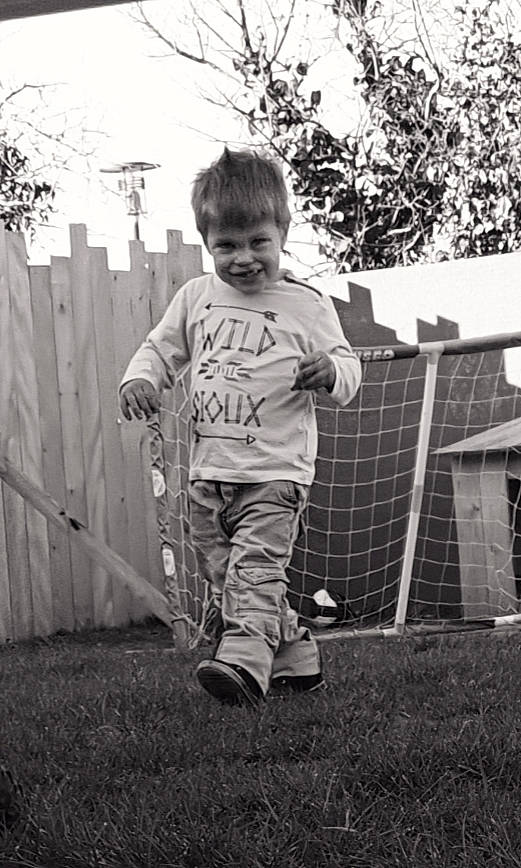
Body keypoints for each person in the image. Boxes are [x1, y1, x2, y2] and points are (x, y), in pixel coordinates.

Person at [119, 147, 361, 707]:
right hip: (209, 473)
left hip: (276, 473)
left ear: (282, 233)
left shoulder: (305, 303)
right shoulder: (196, 298)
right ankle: (297, 658)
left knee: (254, 571)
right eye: (225, 246)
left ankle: (245, 666)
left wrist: (330, 372)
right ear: (207, 243)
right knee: (229, 577)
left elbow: (348, 369)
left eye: (258, 242)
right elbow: (161, 348)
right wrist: (142, 380)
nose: (243, 258)